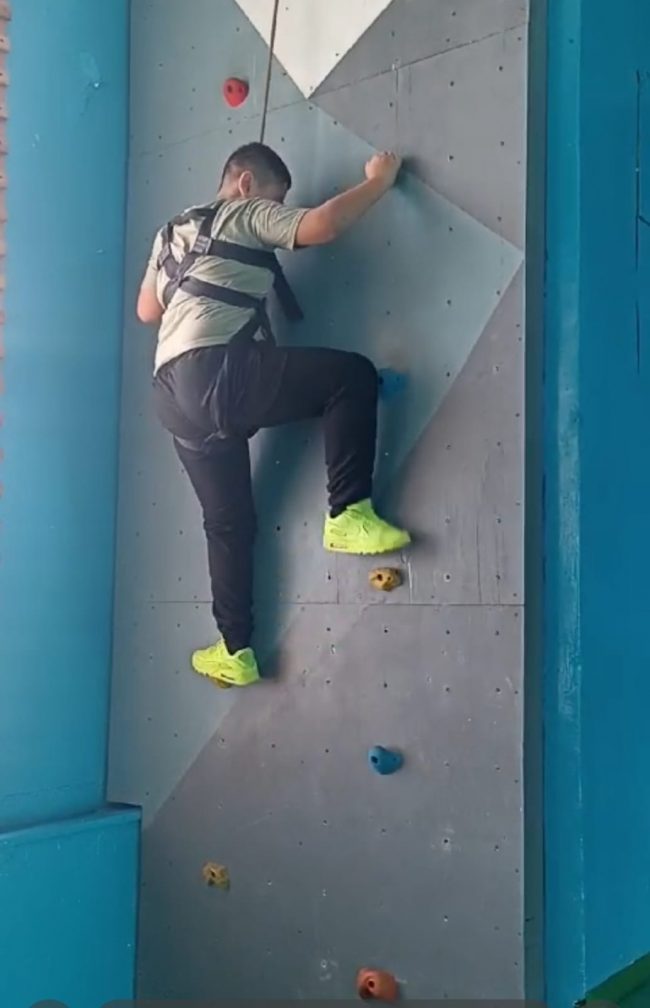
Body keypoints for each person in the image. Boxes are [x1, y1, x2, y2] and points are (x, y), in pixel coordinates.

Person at [136, 142, 411, 689]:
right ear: (245, 183)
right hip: (216, 374)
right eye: (276, 198)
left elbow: (148, 310)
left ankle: (234, 650)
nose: (278, 209)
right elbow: (321, 226)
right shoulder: (244, 211)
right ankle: (347, 513)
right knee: (351, 376)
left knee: (228, 523)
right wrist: (379, 181)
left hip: (171, 397)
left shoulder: (169, 233)